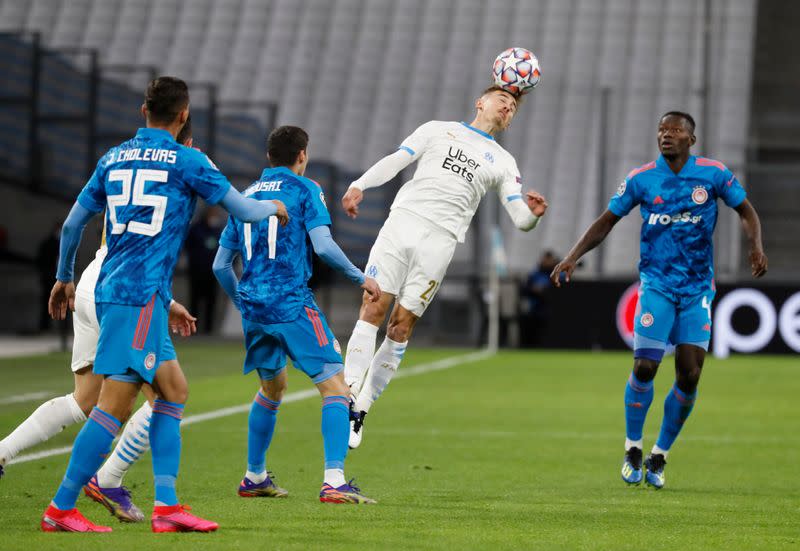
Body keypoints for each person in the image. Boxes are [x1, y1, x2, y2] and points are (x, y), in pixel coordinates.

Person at [42, 76, 287, 533]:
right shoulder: (188, 161)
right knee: (113, 407)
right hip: (135, 298)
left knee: (173, 392)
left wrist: (63, 276)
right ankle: (60, 508)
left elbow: (74, 224)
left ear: (143, 112)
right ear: (183, 116)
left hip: (133, 293)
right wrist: (274, 207)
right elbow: (245, 210)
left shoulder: (112, 158)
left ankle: (168, 507)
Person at [550, 111, 767, 489]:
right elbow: (606, 220)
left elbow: (746, 211)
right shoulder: (641, 178)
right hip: (658, 285)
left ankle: (659, 455)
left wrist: (755, 247)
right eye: (662, 130)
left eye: (676, 130)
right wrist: (572, 256)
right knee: (646, 367)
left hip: (697, 287)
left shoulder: (713, 174)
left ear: (690, 139)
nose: (667, 135)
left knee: (690, 372)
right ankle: (633, 447)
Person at [0, 119, 198, 526]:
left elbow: (85, 224)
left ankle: (4, 449)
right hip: (126, 290)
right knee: (165, 396)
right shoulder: (181, 164)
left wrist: (65, 275)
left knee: (85, 400)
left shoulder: (122, 159)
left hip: (95, 278)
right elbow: (147, 250)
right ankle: (107, 480)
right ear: (186, 136)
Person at [340, 85, 548, 448]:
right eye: (503, 100)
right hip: (403, 222)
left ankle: (362, 409)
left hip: (441, 241)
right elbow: (398, 159)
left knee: (400, 327)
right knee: (372, 307)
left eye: (513, 106)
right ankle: (345, 397)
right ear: (480, 102)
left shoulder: (503, 161)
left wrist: (532, 217)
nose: (507, 108)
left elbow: (519, 215)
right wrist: (360, 185)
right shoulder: (437, 129)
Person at [212, 126, 381, 504]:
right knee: (336, 386)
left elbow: (221, 265)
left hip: (255, 307)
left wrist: (242, 303)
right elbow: (322, 245)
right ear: (302, 155)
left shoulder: (245, 196)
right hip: (290, 303)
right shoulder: (306, 190)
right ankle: (334, 482)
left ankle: (254, 476)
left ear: (268, 157)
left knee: (272, 389)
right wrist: (360, 276)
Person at [185, 206, 224, 333]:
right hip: (197, 272)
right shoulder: (196, 229)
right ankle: (193, 330)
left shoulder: (219, 230)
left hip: (213, 273)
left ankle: (208, 331)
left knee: (211, 302)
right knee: (195, 301)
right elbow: (188, 247)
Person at [519, 250, 559, 347]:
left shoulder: (556, 274)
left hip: (549, 310)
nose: (546, 262)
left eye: (549, 260)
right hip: (534, 310)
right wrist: (534, 289)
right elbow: (524, 289)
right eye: (545, 259)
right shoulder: (534, 274)